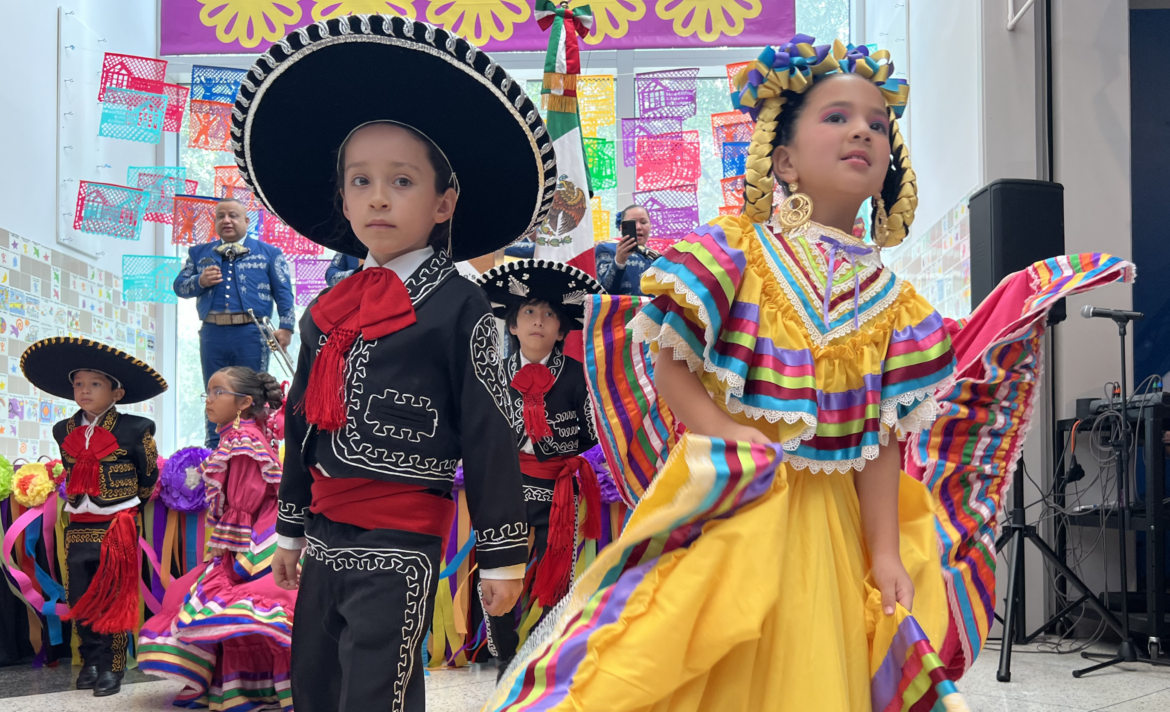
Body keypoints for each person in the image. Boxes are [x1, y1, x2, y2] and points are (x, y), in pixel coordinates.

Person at [488, 36, 962, 711]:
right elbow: (672, 356)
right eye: (836, 117)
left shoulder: (899, 306)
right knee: (691, 641)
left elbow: (881, 442)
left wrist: (884, 550)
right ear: (786, 161)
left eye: (878, 124)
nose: (862, 129)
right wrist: (725, 436)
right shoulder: (738, 251)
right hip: (732, 495)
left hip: (829, 523)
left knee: (810, 659)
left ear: (890, 160)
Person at [230, 15, 559, 711]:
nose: (378, 196)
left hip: (403, 531)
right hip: (323, 531)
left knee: (376, 682)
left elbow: (491, 429)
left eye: (402, 180)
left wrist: (502, 552)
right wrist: (289, 527)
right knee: (316, 682)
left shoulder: (460, 306)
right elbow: (299, 425)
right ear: (343, 197)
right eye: (361, 180)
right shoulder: (327, 309)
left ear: (444, 203)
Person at [138, 367, 294, 712]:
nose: (209, 400)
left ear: (244, 402)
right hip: (264, 526)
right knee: (247, 605)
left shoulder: (242, 438)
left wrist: (230, 551)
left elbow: (243, 500)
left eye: (217, 392)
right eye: (207, 392)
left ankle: (244, 688)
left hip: (255, 532)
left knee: (236, 598)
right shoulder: (246, 434)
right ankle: (261, 685)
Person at [476, 260, 604, 675]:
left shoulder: (578, 376)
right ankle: (504, 653)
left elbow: (592, 433)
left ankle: (547, 649)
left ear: (563, 330)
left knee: (556, 567)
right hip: (505, 485)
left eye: (549, 314)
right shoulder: (492, 374)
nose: (538, 321)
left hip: (558, 487)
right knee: (498, 563)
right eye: (528, 312)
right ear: (511, 325)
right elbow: (477, 429)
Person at [20, 337, 167, 697]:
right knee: (81, 595)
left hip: (117, 524)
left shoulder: (137, 429)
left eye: (94, 384)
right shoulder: (63, 431)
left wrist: (125, 508)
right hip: (77, 526)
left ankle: (113, 667)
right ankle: (90, 661)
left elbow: (148, 479)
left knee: (113, 597)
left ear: (117, 393)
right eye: (78, 384)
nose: (84, 391)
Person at [173, 198, 296, 448]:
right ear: (215, 222)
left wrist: (287, 327)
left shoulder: (269, 253)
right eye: (221, 216)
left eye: (233, 215)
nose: (226, 220)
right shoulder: (198, 253)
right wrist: (200, 281)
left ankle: (254, 444)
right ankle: (215, 447)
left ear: (247, 222)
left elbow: (284, 292)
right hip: (211, 333)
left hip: (253, 333)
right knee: (215, 390)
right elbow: (179, 287)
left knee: (252, 390)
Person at [594, 205, 657, 296]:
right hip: (622, 310)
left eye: (643, 222)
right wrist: (619, 261)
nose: (639, 227)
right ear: (621, 227)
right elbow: (605, 291)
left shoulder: (656, 257)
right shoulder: (606, 249)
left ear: (650, 226)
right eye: (633, 223)